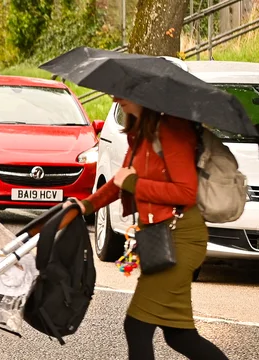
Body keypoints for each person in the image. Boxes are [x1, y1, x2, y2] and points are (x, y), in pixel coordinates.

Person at [72, 97, 228, 360]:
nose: (114, 97)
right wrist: (85, 206)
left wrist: (135, 183)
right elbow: (120, 181)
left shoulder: (171, 132)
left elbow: (186, 192)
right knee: (179, 336)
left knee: (137, 326)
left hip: (180, 239)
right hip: (160, 237)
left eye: (123, 92)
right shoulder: (140, 134)